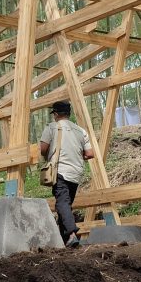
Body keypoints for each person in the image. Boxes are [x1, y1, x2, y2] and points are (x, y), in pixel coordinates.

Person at [39, 100, 93, 248]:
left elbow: (43, 149)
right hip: (76, 173)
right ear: (68, 114)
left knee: (62, 203)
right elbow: (90, 153)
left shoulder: (52, 127)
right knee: (66, 204)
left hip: (60, 170)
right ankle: (65, 241)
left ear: (55, 114)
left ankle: (71, 234)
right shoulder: (81, 131)